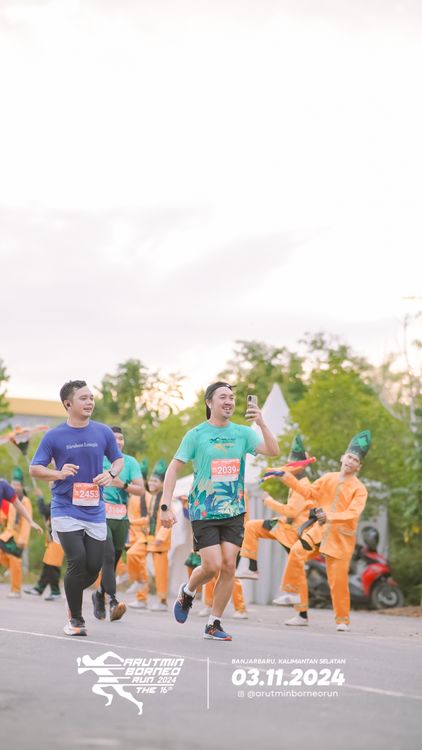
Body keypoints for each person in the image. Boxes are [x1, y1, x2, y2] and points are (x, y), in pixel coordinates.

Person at [160, 382, 279, 641]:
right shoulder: (196, 434)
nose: (228, 401)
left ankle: (213, 623)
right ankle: (188, 591)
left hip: (234, 511)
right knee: (211, 566)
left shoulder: (243, 433)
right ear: (209, 402)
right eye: (223, 397)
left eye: (232, 397)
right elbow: (173, 469)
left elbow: (273, 451)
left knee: (228, 567)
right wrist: (165, 505)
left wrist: (261, 423)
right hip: (204, 510)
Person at [30, 380, 124, 637]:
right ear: (68, 404)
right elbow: (35, 468)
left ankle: (71, 594)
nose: (89, 402)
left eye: (91, 397)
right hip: (65, 508)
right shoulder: (54, 436)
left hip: (95, 508)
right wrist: (58, 473)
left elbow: (118, 459)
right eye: (83, 398)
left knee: (93, 567)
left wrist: (110, 473)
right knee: (77, 559)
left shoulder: (103, 432)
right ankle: (76, 619)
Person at [264, 430, 371, 632]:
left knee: (337, 581)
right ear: (342, 458)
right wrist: (285, 476)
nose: (350, 461)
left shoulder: (360, 489)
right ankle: (292, 594)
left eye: (355, 460)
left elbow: (353, 513)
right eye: (349, 457)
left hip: (340, 538)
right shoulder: (328, 478)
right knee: (296, 551)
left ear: (359, 466)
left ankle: (342, 620)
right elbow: (308, 492)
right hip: (319, 531)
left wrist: (329, 516)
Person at [236, 435, 314, 614]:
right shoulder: (296, 481)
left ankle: (302, 612)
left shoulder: (303, 485)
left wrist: (268, 501)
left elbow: (291, 512)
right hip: (284, 527)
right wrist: (270, 472)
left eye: (294, 464)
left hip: (293, 532)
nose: (290, 467)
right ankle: (252, 568)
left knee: (297, 569)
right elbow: (283, 472)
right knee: (252, 527)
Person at [91, 426, 144, 622]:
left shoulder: (130, 462)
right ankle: (112, 601)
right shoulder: (97, 459)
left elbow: (141, 489)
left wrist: (123, 485)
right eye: (114, 438)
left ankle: (99, 594)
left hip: (121, 518)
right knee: (108, 555)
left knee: (112, 563)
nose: (118, 441)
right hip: (100, 515)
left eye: (121, 438)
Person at [127, 460, 172, 611]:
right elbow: (148, 519)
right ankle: (138, 582)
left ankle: (162, 601)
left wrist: (161, 537)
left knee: (160, 572)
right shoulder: (152, 497)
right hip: (147, 537)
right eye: (151, 480)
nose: (152, 483)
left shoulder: (165, 498)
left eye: (155, 481)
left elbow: (169, 519)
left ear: (162, 483)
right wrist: (132, 522)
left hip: (159, 541)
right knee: (132, 554)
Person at [0, 468, 40, 597]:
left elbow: (26, 521)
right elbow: (8, 516)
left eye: (17, 484)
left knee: (15, 561)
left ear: (22, 486)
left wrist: (23, 539)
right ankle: (10, 570)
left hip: (18, 538)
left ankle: (16, 590)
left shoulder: (25, 501)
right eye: (13, 484)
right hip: (8, 534)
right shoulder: (9, 499)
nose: (15, 486)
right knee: (8, 559)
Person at [24, 486, 65, 600]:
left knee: (53, 566)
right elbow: (46, 511)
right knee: (48, 565)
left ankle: (56, 592)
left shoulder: (62, 500)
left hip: (59, 539)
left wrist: (40, 497)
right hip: (52, 540)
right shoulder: (56, 499)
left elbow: (45, 510)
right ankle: (39, 588)